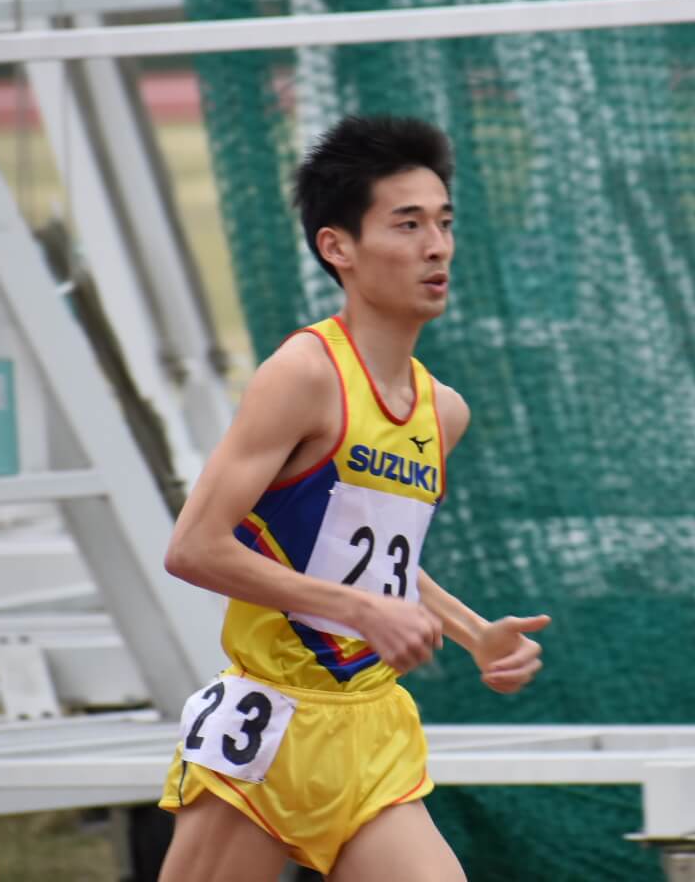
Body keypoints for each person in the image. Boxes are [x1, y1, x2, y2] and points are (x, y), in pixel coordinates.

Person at [157, 115, 550, 881]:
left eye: (443, 223)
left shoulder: (444, 411)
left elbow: (377, 560)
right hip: (267, 730)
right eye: (406, 225)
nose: (436, 247)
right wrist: (360, 611)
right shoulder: (302, 375)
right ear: (338, 247)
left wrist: (474, 635)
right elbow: (195, 547)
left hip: (373, 735)